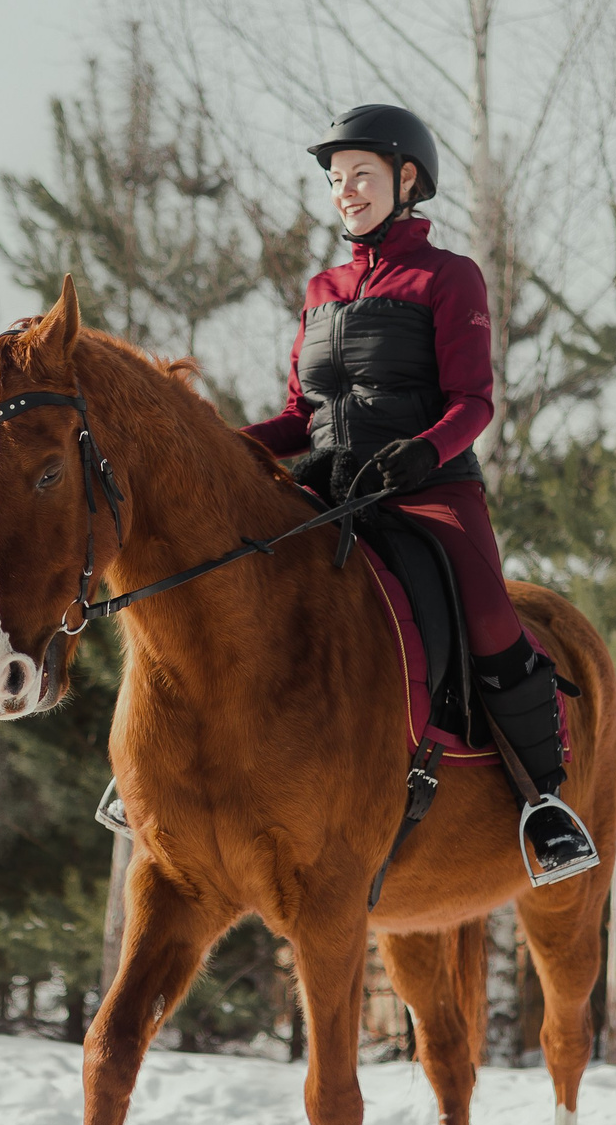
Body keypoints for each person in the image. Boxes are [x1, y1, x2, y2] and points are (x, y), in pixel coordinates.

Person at [241, 104, 597, 884]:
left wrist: (421, 454)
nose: (346, 192)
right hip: (332, 488)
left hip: (427, 488)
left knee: (491, 616)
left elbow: (473, 401)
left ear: (407, 180)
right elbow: (303, 415)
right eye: (336, 181)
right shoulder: (321, 289)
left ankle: (547, 805)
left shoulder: (448, 277)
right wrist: (226, 450)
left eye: (360, 175)